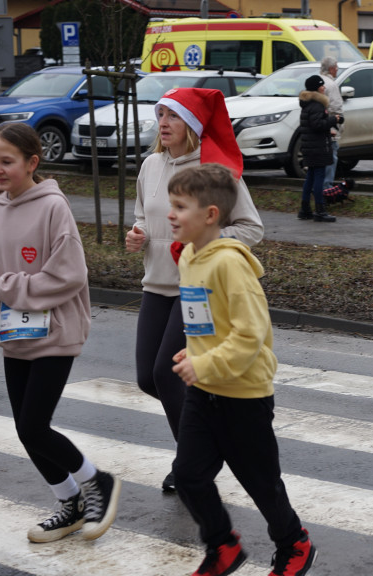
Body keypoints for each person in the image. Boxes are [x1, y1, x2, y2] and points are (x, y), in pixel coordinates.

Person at [0, 122, 120, 543]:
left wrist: (13, 289)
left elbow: (70, 275)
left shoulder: (53, 207)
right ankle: (70, 504)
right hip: (15, 336)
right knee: (25, 429)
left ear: (32, 162)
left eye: (6, 161)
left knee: (33, 426)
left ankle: (97, 481)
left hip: (58, 331)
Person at [167, 163, 317, 576]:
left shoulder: (229, 264)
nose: (171, 214)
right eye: (171, 205)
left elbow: (250, 334)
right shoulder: (190, 260)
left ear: (210, 215)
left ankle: (294, 544)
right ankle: (223, 546)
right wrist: (191, 352)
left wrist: (205, 362)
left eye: (180, 206)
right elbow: (207, 321)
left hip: (244, 395)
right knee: (188, 474)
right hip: (204, 390)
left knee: (261, 482)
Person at [124, 88, 263, 492]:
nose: (163, 123)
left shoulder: (212, 171)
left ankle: (192, 464)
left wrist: (204, 242)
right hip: (156, 285)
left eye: (173, 116)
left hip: (198, 290)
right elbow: (142, 217)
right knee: (147, 379)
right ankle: (207, 440)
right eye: (161, 114)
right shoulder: (150, 165)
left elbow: (251, 228)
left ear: (194, 125)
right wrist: (137, 236)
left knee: (167, 378)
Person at [298, 75, 341, 223]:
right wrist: (333, 120)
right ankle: (320, 210)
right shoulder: (317, 104)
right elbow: (317, 124)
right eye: (321, 86)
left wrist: (328, 130)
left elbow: (312, 125)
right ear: (316, 88)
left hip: (310, 145)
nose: (324, 88)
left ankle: (305, 209)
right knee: (318, 177)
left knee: (310, 177)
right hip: (318, 146)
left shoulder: (307, 103)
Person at [319, 56, 343, 188]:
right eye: (336, 67)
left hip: (320, 126)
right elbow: (335, 107)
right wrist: (337, 125)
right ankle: (327, 187)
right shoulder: (331, 85)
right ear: (332, 68)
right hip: (330, 127)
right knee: (331, 157)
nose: (337, 69)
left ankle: (319, 186)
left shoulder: (319, 81)